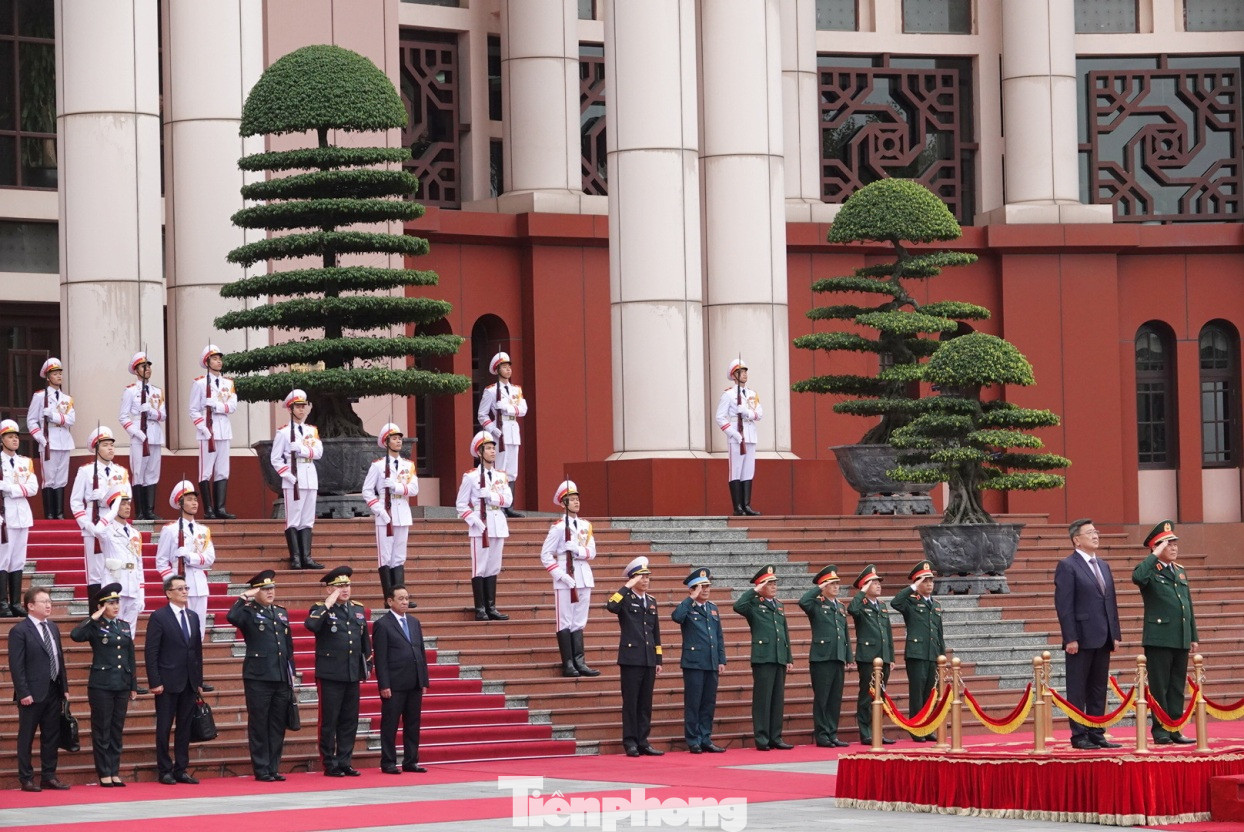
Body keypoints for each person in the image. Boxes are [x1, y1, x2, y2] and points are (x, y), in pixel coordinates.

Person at [1054, 518, 1122, 750]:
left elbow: (1110, 602)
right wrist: (1070, 637)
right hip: (1080, 638)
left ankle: (1096, 732)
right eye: (1090, 532)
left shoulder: (1103, 565)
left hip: (1103, 636)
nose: (1096, 535)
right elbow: (1064, 605)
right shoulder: (1068, 565)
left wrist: (1115, 633)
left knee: (1098, 688)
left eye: (1096, 531)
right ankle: (1079, 734)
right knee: (1078, 688)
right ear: (1077, 540)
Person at [226, 570, 296, 781]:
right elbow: (231, 617)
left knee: (276, 724)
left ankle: (273, 766)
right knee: (259, 723)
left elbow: (288, 647)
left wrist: (291, 676)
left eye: (272, 588)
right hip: (258, 677)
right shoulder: (247, 612)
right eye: (265, 589)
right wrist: (243, 596)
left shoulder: (281, 612)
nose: (270, 592)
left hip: (280, 676)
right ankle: (261, 768)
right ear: (256, 592)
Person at [1132, 520, 1198, 745]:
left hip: (1180, 637)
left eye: (1174, 543)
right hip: (1159, 638)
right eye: (1167, 544)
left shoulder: (1179, 571)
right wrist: (1155, 555)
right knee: (1160, 687)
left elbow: (1187, 605)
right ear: (1156, 547)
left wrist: (1193, 636)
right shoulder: (1150, 570)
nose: (1174, 547)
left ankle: (1175, 729)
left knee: (1177, 686)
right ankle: (1160, 731)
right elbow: (1137, 577)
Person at [305, 565, 371, 777]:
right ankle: (329, 762)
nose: (345, 589)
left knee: (349, 720)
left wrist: (366, 666)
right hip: (330, 673)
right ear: (329, 589)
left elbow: (364, 642)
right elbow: (312, 626)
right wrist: (328, 604)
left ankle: (345, 761)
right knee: (329, 721)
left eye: (347, 585)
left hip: (351, 672)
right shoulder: (320, 608)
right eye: (339, 586)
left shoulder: (357, 609)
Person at [70, 582, 138, 787]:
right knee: (102, 730)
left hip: (121, 684)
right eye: (111, 603)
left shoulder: (124, 625)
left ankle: (114, 770)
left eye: (117, 602)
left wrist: (133, 685)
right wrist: (93, 617)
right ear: (101, 606)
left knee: (117, 729)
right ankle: (104, 771)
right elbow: (76, 635)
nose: (116, 606)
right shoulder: (95, 626)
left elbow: (130, 657)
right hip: (101, 686)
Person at [8, 586, 70, 792]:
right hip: (31, 693)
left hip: (53, 690)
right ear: (31, 606)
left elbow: (59, 657)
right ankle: (26, 777)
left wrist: (64, 687)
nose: (48, 604)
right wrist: (23, 692)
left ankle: (49, 775)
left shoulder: (52, 628)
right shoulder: (19, 631)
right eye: (43, 601)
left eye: (49, 601)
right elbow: (17, 666)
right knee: (26, 736)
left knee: (51, 734)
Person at [145, 575, 205, 785]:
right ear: (168, 593)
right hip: (167, 681)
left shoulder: (193, 616)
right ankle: (164, 769)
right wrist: (155, 681)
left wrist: (199, 680)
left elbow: (196, 650)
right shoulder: (159, 617)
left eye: (186, 588)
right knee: (164, 727)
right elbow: (151, 651)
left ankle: (181, 768)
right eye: (179, 588)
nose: (184, 591)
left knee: (185, 727)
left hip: (188, 681)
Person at [540, 480, 599, 677]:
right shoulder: (557, 528)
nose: (576, 502)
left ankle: (580, 662)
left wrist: (577, 550)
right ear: (563, 503)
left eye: (577, 499)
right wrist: (561, 576)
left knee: (579, 621)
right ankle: (568, 663)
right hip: (565, 578)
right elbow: (545, 555)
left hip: (583, 576)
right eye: (571, 500)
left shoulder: (586, 525)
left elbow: (592, 552)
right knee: (564, 621)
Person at [606, 556, 663, 757]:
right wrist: (626, 586)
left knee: (645, 702)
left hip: (648, 658)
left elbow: (655, 632)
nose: (646, 581)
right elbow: (611, 606)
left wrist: (658, 659)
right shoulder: (625, 599)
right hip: (631, 658)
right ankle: (630, 741)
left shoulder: (652, 601)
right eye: (641, 577)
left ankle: (643, 741)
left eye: (648, 577)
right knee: (631, 702)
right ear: (632, 579)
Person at [733, 564, 793, 750]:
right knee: (763, 699)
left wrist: (788, 657)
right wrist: (754, 591)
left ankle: (776, 736)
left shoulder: (779, 606)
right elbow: (737, 606)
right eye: (770, 583)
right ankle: (762, 738)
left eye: (775, 583)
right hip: (763, 657)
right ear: (761, 586)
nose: (774, 586)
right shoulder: (753, 604)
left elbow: (784, 633)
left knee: (777, 699)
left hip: (779, 657)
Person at [373, 583, 430, 774]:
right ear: (390, 601)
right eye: (401, 599)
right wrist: (384, 684)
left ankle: (411, 760)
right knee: (390, 724)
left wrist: (424, 680)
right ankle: (388, 761)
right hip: (394, 684)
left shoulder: (414, 622)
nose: (405, 602)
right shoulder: (382, 624)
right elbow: (380, 658)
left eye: (407, 598)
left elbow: (420, 651)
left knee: (413, 723)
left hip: (414, 681)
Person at [69, 426, 131, 603]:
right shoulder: (86, 471)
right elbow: (75, 501)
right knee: (95, 573)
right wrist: (86, 524)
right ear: (96, 448)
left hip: (114, 523)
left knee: (116, 568)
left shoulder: (121, 472)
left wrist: (105, 497)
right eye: (105, 445)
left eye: (112, 445)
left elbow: (128, 496)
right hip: (93, 523)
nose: (111, 448)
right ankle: (95, 616)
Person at [455, 430, 512, 621]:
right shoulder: (471, 477)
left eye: (493, 448)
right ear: (479, 452)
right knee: (479, 567)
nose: (493, 451)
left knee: (494, 567)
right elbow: (461, 504)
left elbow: (509, 500)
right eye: (488, 448)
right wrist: (474, 521)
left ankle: (491, 606)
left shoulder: (501, 476)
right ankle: (480, 608)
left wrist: (491, 496)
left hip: (497, 523)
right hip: (480, 526)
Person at [671, 567, 727, 753]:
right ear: (692, 589)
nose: (705, 590)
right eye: (700, 587)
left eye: (707, 586)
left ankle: (705, 738)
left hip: (711, 662)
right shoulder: (687, 607)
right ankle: (693, 739)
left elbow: (718, 636)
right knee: (693, 703)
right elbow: (676, 617)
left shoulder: (712, 608)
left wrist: (721, 659)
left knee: (708, 703)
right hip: (694, 663)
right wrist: (691, 599)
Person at [155, 481, 216, 643]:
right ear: (180, 503)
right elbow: (161, 562)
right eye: (189, 499)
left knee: (198, 632)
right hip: (179, 585)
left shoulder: (203, 530)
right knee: (181, 632)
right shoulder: (170, 530)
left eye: (195, 500)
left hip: (199, 585)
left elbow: (210, 557)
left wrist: (190, 557)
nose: (194, 503)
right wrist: (172, 584)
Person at [270, 389, 324, 570]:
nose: (302, 410)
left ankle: (307, 557)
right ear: (290, 409)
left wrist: (301, 449)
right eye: (298, 407)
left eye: (303, 406)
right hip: (294, 478)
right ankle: (295, 558)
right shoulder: (284, 433)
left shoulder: (311, 430)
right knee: (293, 518)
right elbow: (275, 458)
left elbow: (318, 452)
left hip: (309, 474)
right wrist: (287, 474)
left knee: (308, 519)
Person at [798, 565, 852, 748]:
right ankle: (822, 735)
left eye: (837, 583)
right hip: (822, 657)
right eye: (832, 584)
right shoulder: (816, 604)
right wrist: (819, 587)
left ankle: (832, 733)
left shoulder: (841, 607)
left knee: (835, 698)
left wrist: (848, 656)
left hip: (837, 656)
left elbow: (845, 633)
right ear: (824, 586)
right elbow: (803, 601)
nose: (836, 587)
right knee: (822, 697)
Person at [890, 561, 944, 741]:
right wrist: (912, 587)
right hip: (917, 653)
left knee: (931, 693)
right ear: (917, 583)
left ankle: (928, 728)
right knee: (917, 693)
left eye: (931, 581)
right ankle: (916, 729)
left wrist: (941, 657)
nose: (929, 584)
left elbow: (939, 633)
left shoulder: (936, 605)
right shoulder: (910, 602)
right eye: (925, 581)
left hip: (932, 654)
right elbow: (895, 602)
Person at [363, 422, 417, 593]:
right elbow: (367, 491)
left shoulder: (408, 465)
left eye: (399, 438)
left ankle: (400, 595)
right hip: (385, 514)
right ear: (386, 442)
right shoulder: (378, 465)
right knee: (386, 557)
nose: (399, 441)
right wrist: (380, 511)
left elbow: (414, 489)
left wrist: (396, 486)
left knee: (399, 557)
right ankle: (389, 597)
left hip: (402, 511)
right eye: (394, 439)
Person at [187, 344, 238, 519]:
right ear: (207, 362)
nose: (219, 362)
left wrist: (215, 405)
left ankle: (220, 508)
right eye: (215, 359)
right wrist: (203, 428)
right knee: (205, 471)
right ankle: (208, 508)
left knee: (223, 470)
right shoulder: (200, 383)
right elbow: (193, 410)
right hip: (207, 431)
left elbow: (232, 406)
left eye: (219, 358)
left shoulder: (228, 383)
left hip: (223, 430)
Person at [87, 484, 146, 634]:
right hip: (115, 583)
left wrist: (141, 594)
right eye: (122, 504)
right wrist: (111, 512)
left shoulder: (135, 533)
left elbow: (139, 565)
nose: (127, 507)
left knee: (129, 633)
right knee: (112, 631)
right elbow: (97, 530)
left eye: (128, 503)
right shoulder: (107, 529)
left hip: (132, 586)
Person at [848, 564, 894, 745]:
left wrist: (891, 657)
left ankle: (877, 731)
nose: (878, 585)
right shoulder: (861, 605)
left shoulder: (882, 606)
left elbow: (888, 634)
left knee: (880, 696)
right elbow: (852, 609)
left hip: (883, 657)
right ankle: (866, 732)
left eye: (878, 582)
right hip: (868, 657)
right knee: (867, 695)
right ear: (865, 586)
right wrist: (862, 592)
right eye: (874, 583)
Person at [477, 351, 527, 518]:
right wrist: (494, 431)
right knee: (499, 470)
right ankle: (497, 504)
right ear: (497, 370)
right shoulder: (491, 391)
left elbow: (523, 410)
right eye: (504, 367)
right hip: (500, 434)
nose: (508, 370)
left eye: (508, 367)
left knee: (512, 471)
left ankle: (509, 506)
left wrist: (506, 408)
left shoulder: (516, 390)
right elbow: (482, 415)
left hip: (513, 431)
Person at [118, 351, 166, 521]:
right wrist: (136, 432)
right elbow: (123, 417)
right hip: (139, 434)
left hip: (154, 434)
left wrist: (151, 412)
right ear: (136, 370)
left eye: (148, 366)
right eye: (143, 366)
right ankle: (139, 511)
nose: (147, 369)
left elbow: (163, 415)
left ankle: (150, 511)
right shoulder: (131, 391)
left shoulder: (156, 391)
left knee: (153, 472)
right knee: (139, 472)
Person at [25, 356, 74, 520]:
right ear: (48, 377)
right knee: (49, 479)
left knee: (61, 479)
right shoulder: (40, 396)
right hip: (48, 440)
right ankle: (50, 514)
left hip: (64, 440)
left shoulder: (67, 399)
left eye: (60, 373)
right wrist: (40, 438)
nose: (59, 376)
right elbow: (31, 421)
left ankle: (59, 513)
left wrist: (53, 415)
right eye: (55, 374)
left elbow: (71, 419)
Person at [714, 357, 763, 516]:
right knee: (736, 470)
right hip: (736, 435)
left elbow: (759, 414)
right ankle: (737, 507)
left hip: (750, 435)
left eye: (745, 371)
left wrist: (746, 412)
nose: (745, 374)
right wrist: (733, 434)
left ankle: (747, 505)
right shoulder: (728, 395)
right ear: (734, 375)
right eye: (741, 372)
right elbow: (720, 417)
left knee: (748, 470)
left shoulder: (752, 394)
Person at [0, 419, 38, 617]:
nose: (14, 439)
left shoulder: (25, 462)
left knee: (18, 560)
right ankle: (2, 603)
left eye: (16, 436)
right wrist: (18, 490)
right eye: (10, 436)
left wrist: (8, 488)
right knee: (3, 559)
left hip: (22, 515)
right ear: (2, 440)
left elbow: (33, 488)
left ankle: (15, 602)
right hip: (3, 516)